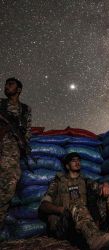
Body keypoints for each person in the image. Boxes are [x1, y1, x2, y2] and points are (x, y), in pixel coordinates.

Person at [39, 152, 109, 250]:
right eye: (73, 161)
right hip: (66, 223)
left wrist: (106, 185)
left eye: (78, 160)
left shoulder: (85, 181)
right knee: (77, 203)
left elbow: (100, 188)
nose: (77, 162)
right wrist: (62, 209)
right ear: (67, 166)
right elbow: (43, 205)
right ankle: (94, 239)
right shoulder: (58, 182)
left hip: (85, 223)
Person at [0, 77, 32, 229]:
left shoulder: (25, 109)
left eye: (10, 84)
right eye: (6, 84)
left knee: (8, 188)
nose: (6, 86)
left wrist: (23, 143)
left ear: (18, 90)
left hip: (11, 153)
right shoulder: (1, 104)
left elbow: (27, 131)